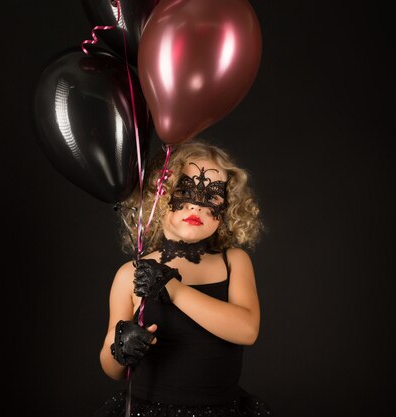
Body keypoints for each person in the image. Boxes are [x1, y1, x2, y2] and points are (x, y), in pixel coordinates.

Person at [93, 140, 275, 417]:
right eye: (184, 191)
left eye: (212, 197)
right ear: (159, 196)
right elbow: (111, 369)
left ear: (227, 208)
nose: (197, 206)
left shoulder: (233, 261)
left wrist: (174, 289)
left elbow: (247, 329)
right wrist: (121, 347)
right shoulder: (130, 273)